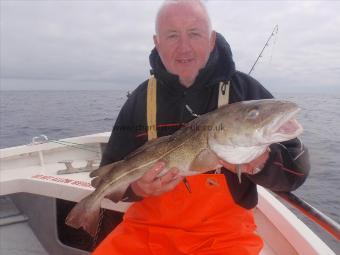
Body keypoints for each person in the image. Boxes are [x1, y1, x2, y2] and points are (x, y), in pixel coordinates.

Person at [93, 0, 310, 254]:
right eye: (172, 35)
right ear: (157, 42)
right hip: (146, 234)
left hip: (224, 238)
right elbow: (110, 179)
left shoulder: (245, 92)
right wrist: (138, 188)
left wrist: (259, 161)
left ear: (211, 38)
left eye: (194, 33)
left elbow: (296, 172)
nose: (184, 47)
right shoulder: (140, 100)